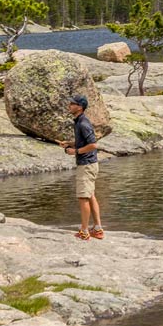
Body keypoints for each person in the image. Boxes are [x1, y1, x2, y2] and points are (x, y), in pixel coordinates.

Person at [59, 95, 103, 240]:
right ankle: (97, 229)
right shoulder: (78, 121)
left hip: (86, 165)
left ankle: (84, 231)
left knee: (83, 197)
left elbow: (93, 145)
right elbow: (84, 142)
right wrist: (70, 143)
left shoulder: (83, 123)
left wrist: (75, 151)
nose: (70, 105)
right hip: (90, 165)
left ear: (80, 107)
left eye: (73, 104)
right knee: (90, 196)